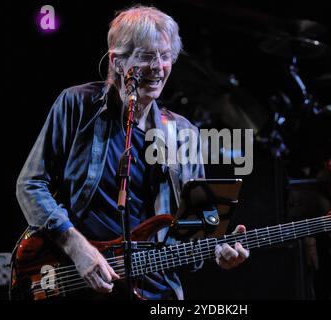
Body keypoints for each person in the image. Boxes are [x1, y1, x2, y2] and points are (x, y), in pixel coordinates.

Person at [16, 5, 249, 300]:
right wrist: (76, 247)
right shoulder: (75, 105)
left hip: (156, 291)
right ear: (117, 60)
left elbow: (197, 234)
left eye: (165, 56)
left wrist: (219, 249)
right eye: (146, 56)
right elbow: (30, 184)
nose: (158, 67)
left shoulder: (184, 133)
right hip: (74, 279)